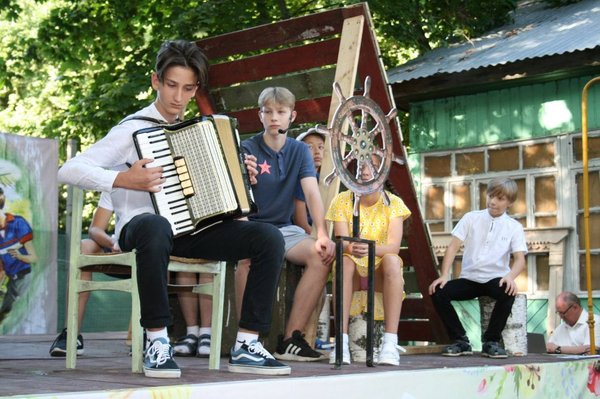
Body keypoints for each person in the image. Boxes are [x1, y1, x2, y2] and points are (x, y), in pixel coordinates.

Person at [57, 39, 290, 378]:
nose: (178, 97)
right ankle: (157, 341)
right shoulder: (131, 129)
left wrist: (242, 176)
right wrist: (124, 179)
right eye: (171, 86)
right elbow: (69, 170)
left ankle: (248, 344)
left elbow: (219, 194)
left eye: (188, 88)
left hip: (191, 232)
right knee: (155, 225)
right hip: (141, 229)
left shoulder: (200, 132)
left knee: (268, 237)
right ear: (155, 81)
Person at [235, 86, 335, 362]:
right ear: (260, 115)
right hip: (252, 225)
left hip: (284, 229)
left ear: (292, 116)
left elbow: (312, 192)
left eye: (280, 112)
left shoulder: (300, 150)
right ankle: (247, 338)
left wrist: (322, 233)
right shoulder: (247, 147)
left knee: (322, 255)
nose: (274, 118)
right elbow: (239, 195)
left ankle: (291, 338)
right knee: (246, 258)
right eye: (268, 112)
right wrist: (247, 176)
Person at [428, 177, 527, 359]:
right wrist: (444, 275)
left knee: (509, 290)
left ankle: (491, 341)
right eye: (491, 195)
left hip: (494, 279)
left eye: (500, 198)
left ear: (510, 202)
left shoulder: (514, 227)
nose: (493, 201)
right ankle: (460, 341)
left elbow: (520, 259)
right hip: (469, 278)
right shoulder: (471, 218)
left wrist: (510, 277)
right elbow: (453, 247)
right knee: (437, 291)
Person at [325, 155, 410, 366]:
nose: (365, 170)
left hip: (379, 270)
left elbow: (393, 247)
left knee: (391, 260)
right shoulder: (342, 200)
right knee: (344, 261)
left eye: (372, 165)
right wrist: (351, 247)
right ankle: (341, 343)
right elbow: (342, 239)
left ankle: (390, 343)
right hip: (354, 268)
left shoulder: (394, 203)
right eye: (362, 165)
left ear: (382, 172)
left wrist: (370, 248)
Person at [49, 192, 116, 357]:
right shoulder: (115, 181)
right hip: (118, 245)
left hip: (151, 246)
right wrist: (113, 243)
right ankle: (71, 333)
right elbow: (95, 229)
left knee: (157, 248)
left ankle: (153, 334)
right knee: (84, 246)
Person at [0, 187, 38, 321]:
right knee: (4, 313)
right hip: (10, 282)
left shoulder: (18, 223)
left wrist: (20, 256)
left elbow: (34, 257)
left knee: (24, 315)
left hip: (25, 279)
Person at [293, 128, 326, 234]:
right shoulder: (300, 179)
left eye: (321, 147)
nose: (317, 152)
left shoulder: (322, 179)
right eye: (310, 147)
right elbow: (300, 221)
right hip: (301, 233)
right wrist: (318, 237)